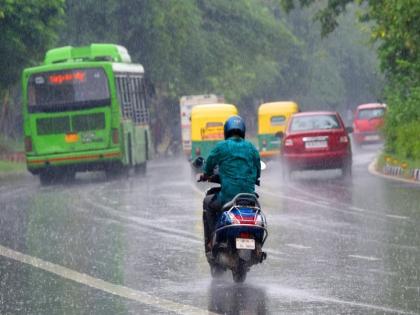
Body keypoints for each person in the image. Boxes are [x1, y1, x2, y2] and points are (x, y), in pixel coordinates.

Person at [200, 115, 261, 255]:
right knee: (257, 209)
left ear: (226, 131)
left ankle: (211, 240)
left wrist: (205, 174)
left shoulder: (222, 146)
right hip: (249, 198)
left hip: (227, 197)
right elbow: (257, 172)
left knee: (208, 203)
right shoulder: (251, 148)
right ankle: (257, 244)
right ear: (243, 131)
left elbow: (209, 163)